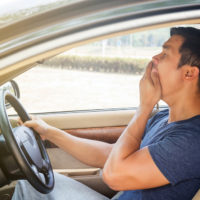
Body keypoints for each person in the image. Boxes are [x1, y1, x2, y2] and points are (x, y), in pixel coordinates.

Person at [12, 26, 200, 200]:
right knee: (31, 182)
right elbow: (112, 155)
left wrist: (145, 106)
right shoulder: (163, 118)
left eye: (165, 54)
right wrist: (50, 132)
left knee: (30, 188)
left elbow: (114, 175)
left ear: (189, 74)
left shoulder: (192, 141)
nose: (154, 58)